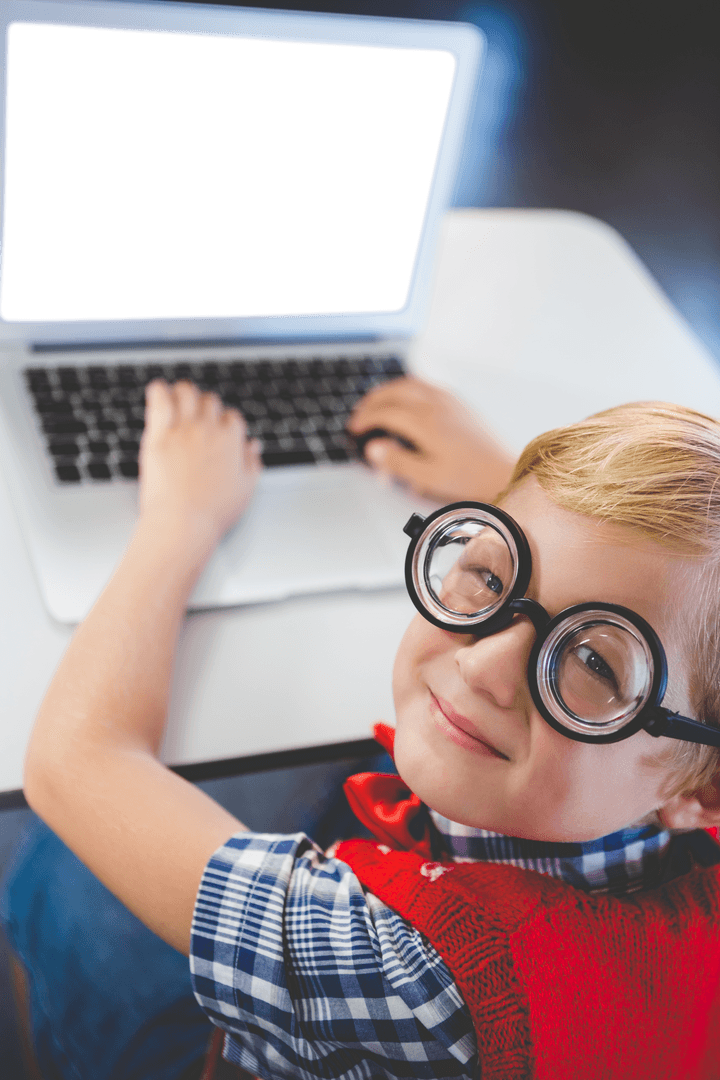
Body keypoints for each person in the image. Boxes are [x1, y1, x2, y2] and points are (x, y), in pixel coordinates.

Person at [3, 376, 720, 1080]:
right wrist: (521, 488)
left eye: (593, 661)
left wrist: (180, 515)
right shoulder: (688, 777)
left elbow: (76, 761)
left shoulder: (410, 975)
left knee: (53, 878)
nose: (484, 669)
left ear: (707, 791)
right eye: (492, 575)